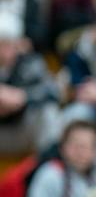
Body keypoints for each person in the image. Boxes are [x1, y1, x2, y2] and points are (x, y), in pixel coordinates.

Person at [0, 12, 60, 155]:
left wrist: (23, 97)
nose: (3, 50)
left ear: (19, 44)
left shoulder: (31, 62)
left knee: (49, 112)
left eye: (7, 44)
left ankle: (45, 166)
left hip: (21, 130)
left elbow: (53, 92)